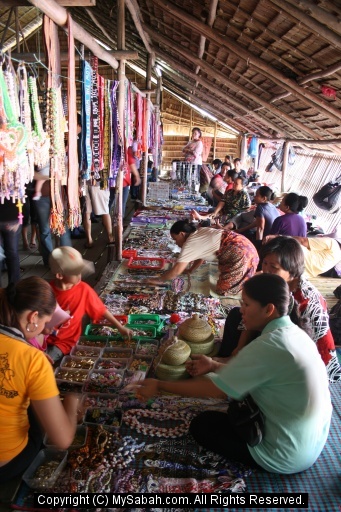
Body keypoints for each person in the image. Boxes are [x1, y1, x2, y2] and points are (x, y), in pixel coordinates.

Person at [135, 274, 332, 474]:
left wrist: (160, 385)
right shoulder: (295, 334)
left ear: (269, 309)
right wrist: (213, 365)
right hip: (312, 445)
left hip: (284, 455)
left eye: (246, 304)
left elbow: (217, 390)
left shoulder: (268, 345)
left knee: (202, 425)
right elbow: (253, 372)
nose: (241, 311)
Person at [191, 236, 341, 382]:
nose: (266, 271)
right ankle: (229, 359)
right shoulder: (274, 282)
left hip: (305, 362)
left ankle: (234, 371)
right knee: (237, 315)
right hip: (277, 335)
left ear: (292, 270)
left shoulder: (305, 302)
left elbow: (293, 344)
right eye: (265, 264)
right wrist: (237, 351)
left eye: (274, 267)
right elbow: (251, 315)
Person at [0, 277, 79, 482]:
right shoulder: (31, 359)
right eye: (45, 322)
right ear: (33, 316)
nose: (47, 329)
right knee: (39, 417)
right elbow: (62, 439)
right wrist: (72, 401)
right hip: (7, 463)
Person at [46, 247, 132, 364]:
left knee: (45, 361)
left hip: (64, 342)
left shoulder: (84, 290)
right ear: (60, 275)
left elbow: (101, 310)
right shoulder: (46, 291)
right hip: (42, 337)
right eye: (75, 273)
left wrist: (120, 327)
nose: (80, 275)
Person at [145, 220, 259, 296]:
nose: (176, 243)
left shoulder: (190, 243)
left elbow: (176, 271)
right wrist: (191, 270)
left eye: (175, 239)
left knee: (223, 291)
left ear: (182, 234)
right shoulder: (199, 231)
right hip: (244, 244)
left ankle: (254, 280)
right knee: (232, 278)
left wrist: (159, 280)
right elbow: (201, 256)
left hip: (242, 252)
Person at [0, 199, 21, 287]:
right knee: (12, 254)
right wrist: (20, 220)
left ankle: (14, 288)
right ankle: (14, 288)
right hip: (11, 218)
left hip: (11, 219)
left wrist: (20, 219)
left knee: (12, 254)